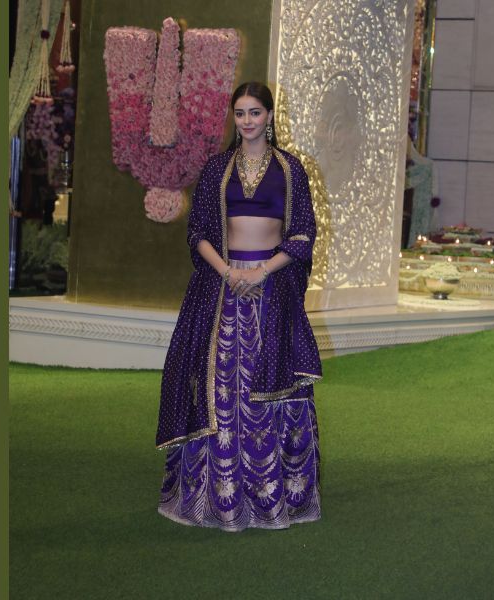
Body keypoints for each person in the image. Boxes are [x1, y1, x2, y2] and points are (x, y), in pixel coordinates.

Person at [156, 82, 322, 531]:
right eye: (240, 113)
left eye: (255, 112)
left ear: (269, 115)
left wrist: (262, 271)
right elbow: (198, 233)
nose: (247, 121)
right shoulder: (217, 168)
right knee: (219, 388)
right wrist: (229, 273)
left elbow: (303, 233)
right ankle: (215, 496)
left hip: (271, 289)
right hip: (222, 287)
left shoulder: (290, 169)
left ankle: (271, 496)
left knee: (265, 386)